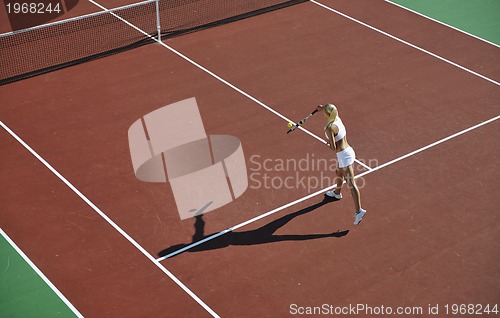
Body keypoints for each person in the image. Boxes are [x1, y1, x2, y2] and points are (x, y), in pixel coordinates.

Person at [317, 103, 366, 225]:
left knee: (351, 183)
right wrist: (322, 108)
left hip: (344, 156)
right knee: (338, 172)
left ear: (327, 114)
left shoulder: (329, 128)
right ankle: (337, 193)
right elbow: (331, 109)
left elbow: (333, 148)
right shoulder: (337, 118)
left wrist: (328, 142)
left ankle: (359, 211)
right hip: (347, 152)